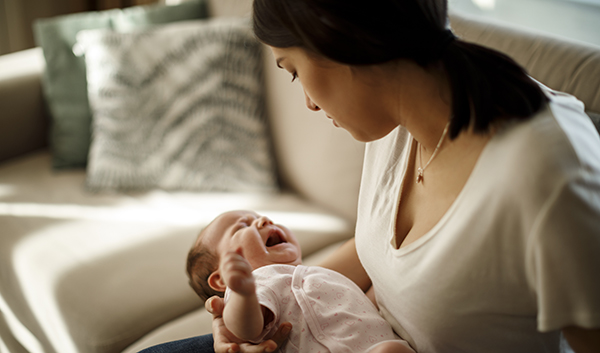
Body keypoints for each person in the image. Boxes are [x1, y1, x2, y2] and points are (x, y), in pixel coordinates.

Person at [140, 0, 600, 352]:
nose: (310, 105)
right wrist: (261, 307)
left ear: (336, 37)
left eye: (294, 71)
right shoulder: (394, 118)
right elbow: (371, 250)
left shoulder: (547, 174)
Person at [185, 209, 414, 353]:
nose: (264, 219)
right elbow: (246, 329)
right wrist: (243, 294)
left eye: (262, 217)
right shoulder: (257, 283)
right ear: (222, 279)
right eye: (242, 226)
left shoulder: (320, 275)